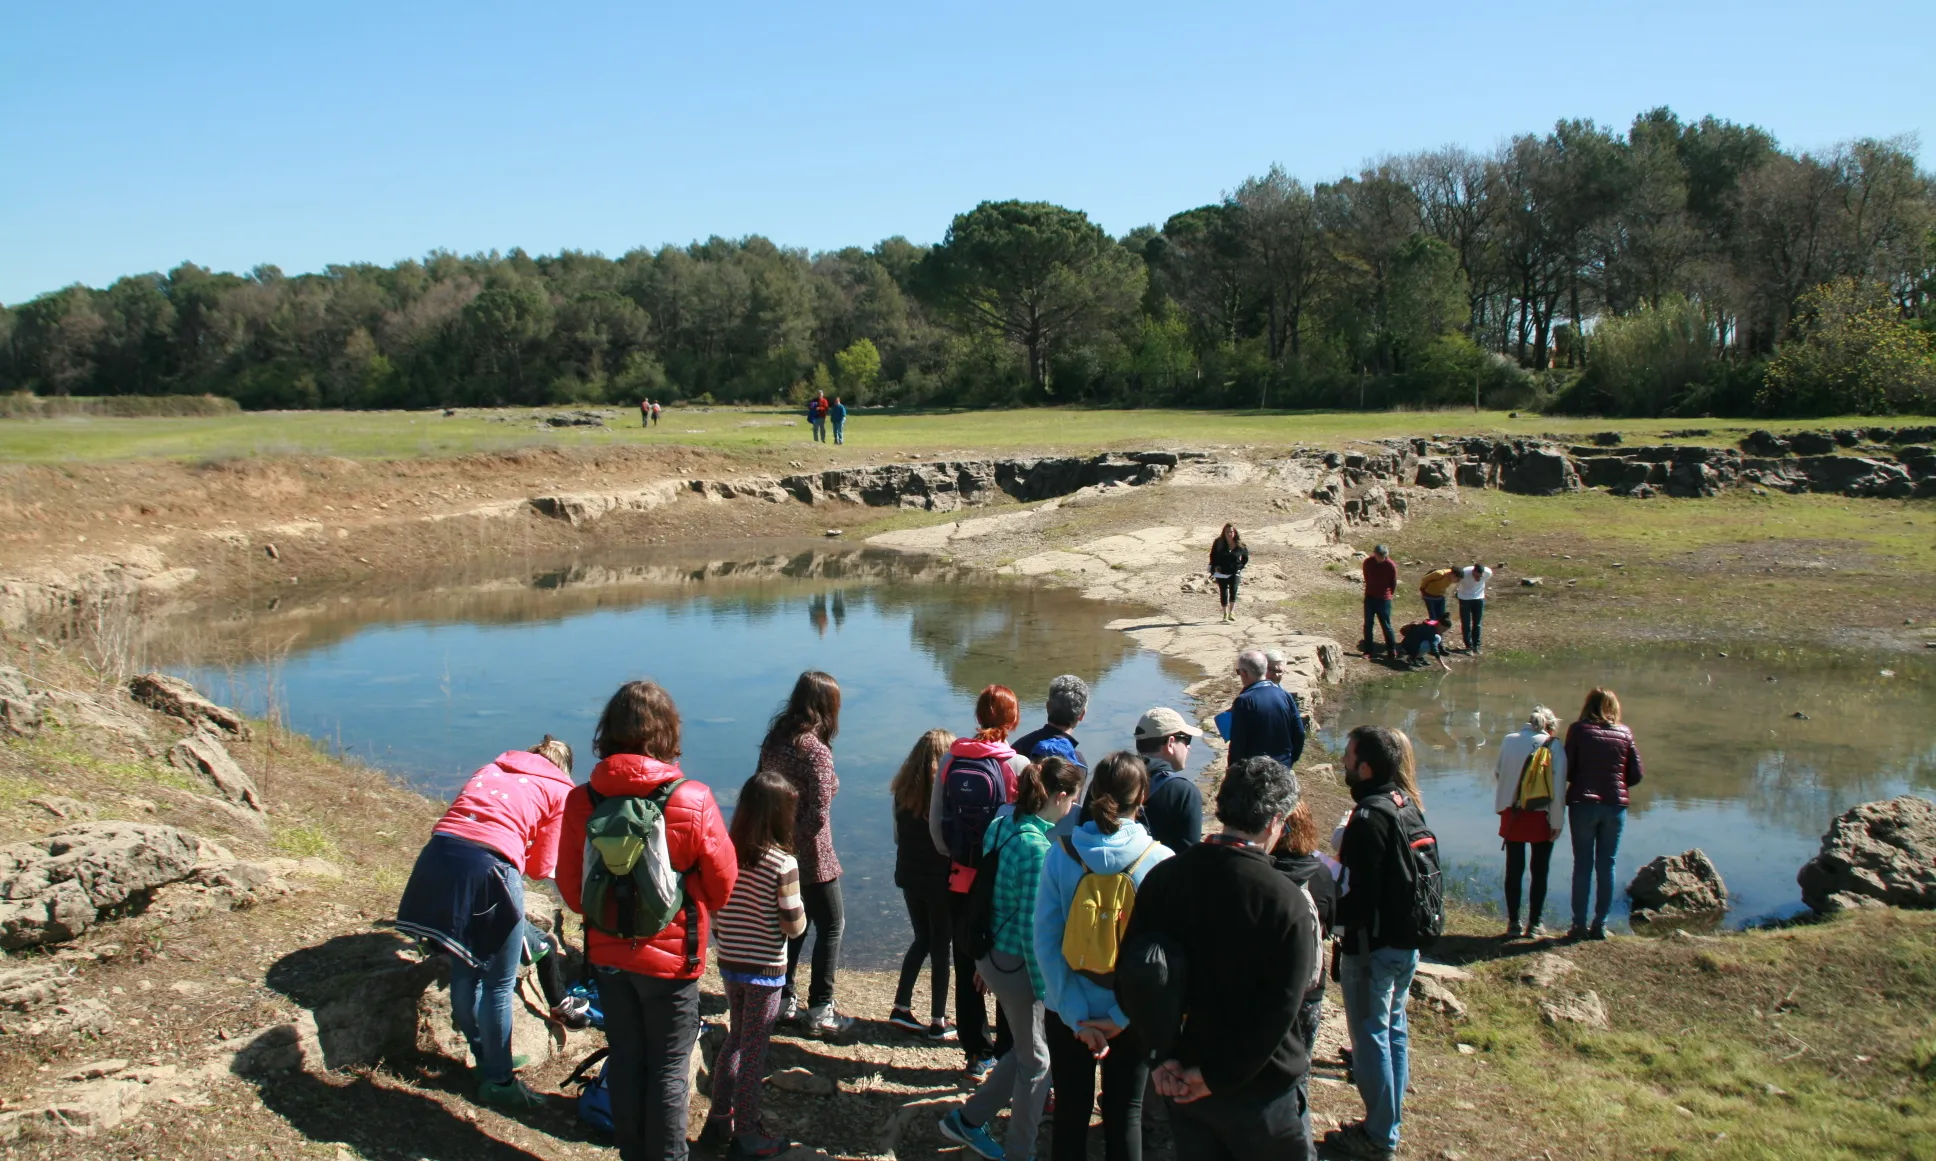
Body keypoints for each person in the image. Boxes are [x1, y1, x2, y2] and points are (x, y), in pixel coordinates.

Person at [558, 681, 736, 1161]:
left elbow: (575, 895)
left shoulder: (581, 802)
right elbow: (722, 887)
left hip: (609, 960)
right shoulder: (691, 798)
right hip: (673, 961)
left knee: (628, 1059)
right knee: (670, 1068)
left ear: (608, 732)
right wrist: (683, 892)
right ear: (667, 731)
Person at [1131, 756, 1319, 1161]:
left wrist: (1159, 1057)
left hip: (1179, 1076)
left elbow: (1134, 975)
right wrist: (1215, 1077)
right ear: (1274, 823)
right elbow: (1283, 1008)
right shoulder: (1286, 901)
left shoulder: (1164, 878)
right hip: (1259, 1090)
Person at [395, 737, 576, 1109]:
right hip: (488, 868)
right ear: (565, 768)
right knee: (498, 982)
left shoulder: (491, 768)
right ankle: (500, 1081)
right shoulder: (560, 790)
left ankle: (487, 1061)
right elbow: (542, 867)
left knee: (467, 967)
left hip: (438, 856)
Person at [937, 757, 1084, 1161]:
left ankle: (967, 1120)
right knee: (1038, 1061)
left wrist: (989, 966)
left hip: (992, 958)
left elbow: (996, 900)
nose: (1074, 807)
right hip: (1017, 966)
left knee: (1023, 1050)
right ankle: (1021, 1151)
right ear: (1059, 796)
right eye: (1073, 798)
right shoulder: (1038, 848)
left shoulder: (1001, 825)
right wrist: (1046, 990)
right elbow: (1030, 928)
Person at [1034, 751, 1173, 1161]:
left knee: (1070, 1115)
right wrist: (1120, 1018)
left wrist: (1076, 1015)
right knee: (1125, 1114)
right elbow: (1163, 956)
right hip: (1133, 1013)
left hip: (1067, 1010)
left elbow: (1045, 941)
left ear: (1093, 793)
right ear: (1142, 796)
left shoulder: (1061, 854)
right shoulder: (1160, 862)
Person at [1328, 725, 1434, 1161]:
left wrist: (1331, 918)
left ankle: (1378, 1135)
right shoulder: (1404, 804)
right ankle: (1387, 1123)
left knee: (1370, 1034)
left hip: (1372, 947)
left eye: (1349, 756)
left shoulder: (1369, 817)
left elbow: (1361, 893)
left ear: (1366, 766)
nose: (1343, 762)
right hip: (1404, 942)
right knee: (1392, 1030)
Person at [700, 770, 808, 1160]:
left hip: (730, 963)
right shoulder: (783, 863)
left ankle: (719, 1118)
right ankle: (747, 1134)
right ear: (781, 815)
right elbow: (794, 926)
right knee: (754, 1050)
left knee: (734, 1039)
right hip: (765, 971)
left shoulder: (725, 853)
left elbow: (715, 909)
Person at [930, 685, 1031, 1075]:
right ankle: (1008, 1049)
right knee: (1005, 963)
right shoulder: (1018, 765)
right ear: (1013, 721)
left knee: (964, 962)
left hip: (959, 879)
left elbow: (936, 823)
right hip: (1001, 883)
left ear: (977, 717)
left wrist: (953, 855)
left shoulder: (951, 760)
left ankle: (975, 1052)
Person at [758, 671, 852, 1035]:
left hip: (775, 846)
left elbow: (760, 788)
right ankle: (820, 1008)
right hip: (812, 855)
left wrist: (779, 846)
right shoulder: (815, 750)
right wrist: (797, 852)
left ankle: (782, 998)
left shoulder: (775, 740)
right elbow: (818, 813)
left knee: (794, 924)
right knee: (831, 924)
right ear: (827, 706)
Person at [1271, 801, 1337, 1158]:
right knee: (1299, 1074)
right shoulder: (1322, 872)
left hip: (1268, 988)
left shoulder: (1263, 871)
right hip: (1310, 990)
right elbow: (1329, 925)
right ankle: (1302, 1145)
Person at [888, 728, 959, 1041]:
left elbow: (896, 837)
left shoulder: (902, 794)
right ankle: (938, 1020)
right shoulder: (945, 796)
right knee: (941, 946)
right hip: (939, 881)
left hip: (909, 877)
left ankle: (901, 1006)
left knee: (922, 939)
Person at [1563, 688, 1643, 941]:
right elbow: (1636, 773)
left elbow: (1567, 768)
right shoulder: (1625, 733)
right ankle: (1600, 925)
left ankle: (1578, 925)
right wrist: (1616, 785)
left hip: (1583, 804)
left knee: (1582, 865)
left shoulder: (1578, 730)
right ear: (1614, 707)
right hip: (1614, 805)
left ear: (1588, 706)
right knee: (1607, 864)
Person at [1494, 706, 1569, 940]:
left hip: (1513, 812)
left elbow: (1498, 773)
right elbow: (1557, 789)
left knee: (1514, 870)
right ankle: (1535, 924)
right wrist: (1557, 821)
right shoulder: (1554, 745)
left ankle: (1513, 923)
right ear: (1551, 724)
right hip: (1541, 815)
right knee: (1540, 871)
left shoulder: (1509, 740)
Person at [1134, 707, 1203, 852]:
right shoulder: (1184, 792)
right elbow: (1188, 856)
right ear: (1170, 743)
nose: (1188, 747)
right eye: (1186, 739)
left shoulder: (1109, 776)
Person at [1227, 650, 1305, 769]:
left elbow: (1238, 743)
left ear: (1244, 673)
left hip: (1255, 772)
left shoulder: (1244, 701)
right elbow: (1299, 732)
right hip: (1283, 767)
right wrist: (1290, 759)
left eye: (1238, 672)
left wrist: (1233, 771)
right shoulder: (1285, 695)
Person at [1360, 546, 1398, 658]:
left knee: (1386, 624)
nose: (1381, 558)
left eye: (1383, 557)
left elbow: (1393, 582)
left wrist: (1388, 594)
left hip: (1384, 599)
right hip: (1370, 597)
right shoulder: (1368, 562)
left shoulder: (1390, 565)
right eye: (1379, 556)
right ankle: (1368, 651)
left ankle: (1391, 649)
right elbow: (1366, 577)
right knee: (1368, 624)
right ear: (1375, 554)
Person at [1209, 524, 1249, 623]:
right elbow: (1213, 555)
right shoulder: (1219, 543)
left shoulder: (1240, 545)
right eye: (1227, 532)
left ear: (1235, 533)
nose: (1229, 534)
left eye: (1231, 531)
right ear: (1224, 532)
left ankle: (1232, 612)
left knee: (1233, 590)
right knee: (1223, 591)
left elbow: (1245, 558)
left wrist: (1240, 567)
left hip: (1235, 571)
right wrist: (1215, 566)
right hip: (1221, 572)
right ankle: (1225, 614)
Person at [1454, 561, 1493, 653]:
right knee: (1466, 623)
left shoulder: (1488, 573)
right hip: (1464, 598)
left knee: (1477, 623)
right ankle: (1469, 646)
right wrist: (1457, 592)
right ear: (1473, 572)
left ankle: (1477, 645)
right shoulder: (1464, 573)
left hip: (1479, 598)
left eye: (1480, 576)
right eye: (1476, 576)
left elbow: (1484, 580)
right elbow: (1456, 581)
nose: (1478, 579)